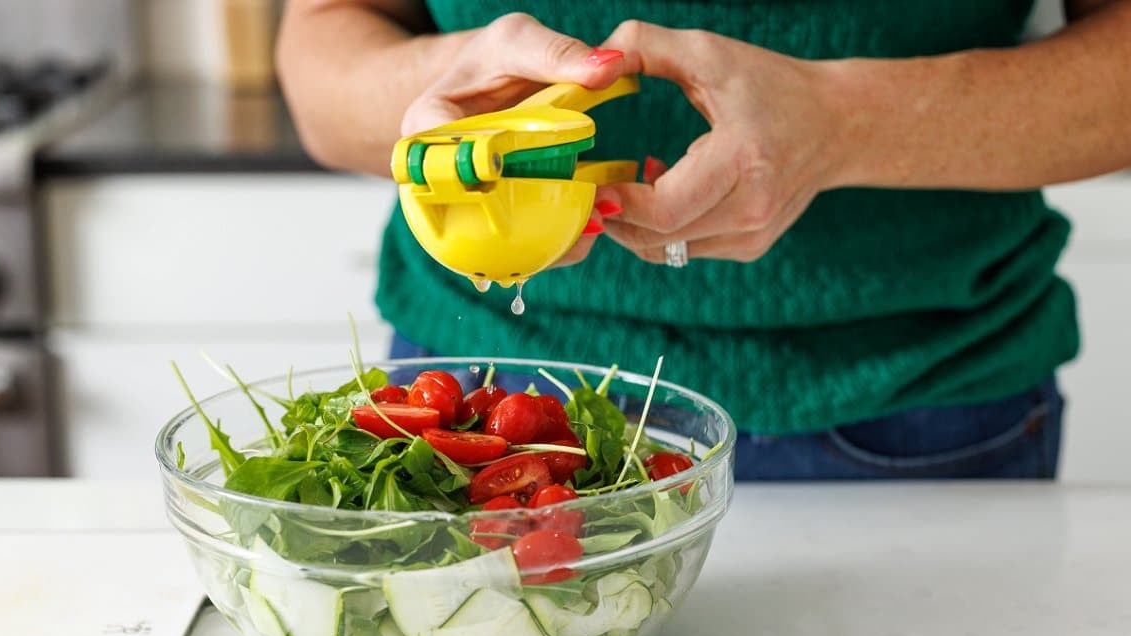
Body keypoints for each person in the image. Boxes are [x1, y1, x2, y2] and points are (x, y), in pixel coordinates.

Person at [276, 1, 1131, 480]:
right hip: (481, 400)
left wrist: (841, 125)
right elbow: (320, 54)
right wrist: (444, 93)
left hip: (919, 406)